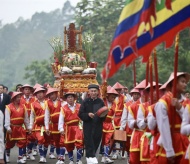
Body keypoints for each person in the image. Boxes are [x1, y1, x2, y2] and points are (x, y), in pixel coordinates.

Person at [155, 72, 189, 164]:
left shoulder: (186, 101)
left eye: (186, 82)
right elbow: (163, 127)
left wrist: (180, 108)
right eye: (182, 82)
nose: (185, 84)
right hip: (168, 142)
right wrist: (169, 150)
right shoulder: (163, 102)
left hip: (184, 142)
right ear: (174, 83)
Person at [78, 84, 106, 164]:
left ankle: (92, 158)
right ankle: (90, 158)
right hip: (88, 125)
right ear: (89, 92)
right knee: (89, 142)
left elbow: (104, 114)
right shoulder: (85, 101)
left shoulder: (101, 102)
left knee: (96, 141)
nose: (93, 93)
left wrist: (102, 115)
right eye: (92, 91)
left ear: (98, 92)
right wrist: (88, 115)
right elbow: (80, 114)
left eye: (95, 91)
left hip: (98, 125)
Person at [4, 92, 29, 164]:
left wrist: (28, 127)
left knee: (22, 142)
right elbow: (7, 119)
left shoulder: (23, 106)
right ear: (14, 98)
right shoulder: (8, 107)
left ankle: (20, 158)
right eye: (17, 97)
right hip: (12, 128)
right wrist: (8, 127)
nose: (19, 98)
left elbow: (26, 119)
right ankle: (7, 154)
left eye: (20, 97)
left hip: (20, 127)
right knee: (10, 143)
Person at [59, 92, 83, 164]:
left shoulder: (79, 106)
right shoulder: (63, 108)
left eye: (71, 97)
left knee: (79, 143)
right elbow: (61, 119)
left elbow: (83, 117)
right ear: (66, 99)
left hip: (78, 127)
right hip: (68, 128)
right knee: (69, 144)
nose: (70, 99)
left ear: (74, 98)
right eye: (68, 97)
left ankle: (79, 160)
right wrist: (61, 129)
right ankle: (71, 160)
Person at [29, 87, 51, 163]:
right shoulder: (33, 104)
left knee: (47, 141)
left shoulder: (48, 102)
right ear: (36, 95)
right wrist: (31, 126)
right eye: (38, 93)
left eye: (41, 92)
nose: (40, 94)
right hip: (38, 125)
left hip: (47, 125)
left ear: (44, 93)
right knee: (40, 139)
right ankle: (41, 156)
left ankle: (44, 155)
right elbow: (32, 116)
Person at [45, 88, 66, 164]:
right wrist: (47, 127)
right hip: (53, 125)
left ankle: (61, 156)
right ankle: (59, 155)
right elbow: (46, 116)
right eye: (50, 95)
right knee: (56, 142)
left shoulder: (62, 102)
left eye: (53, 94)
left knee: (62, 141)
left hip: (62, 124)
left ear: (56, 94)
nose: (51, 96)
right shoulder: (47, 103)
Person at [20, 84, 36, 160]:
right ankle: (23, 154)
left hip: (32, 120)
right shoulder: (20, 99)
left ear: (31, 91)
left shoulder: (34, 99)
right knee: (23, 138)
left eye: (28, 89)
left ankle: (29, 151)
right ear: (23, 90)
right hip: (23, 121)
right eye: (25, 89)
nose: (27, 91)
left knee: (33, 137)